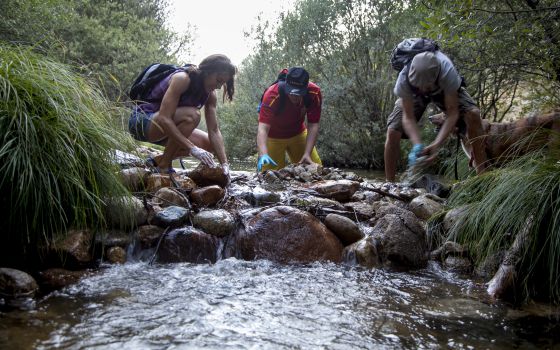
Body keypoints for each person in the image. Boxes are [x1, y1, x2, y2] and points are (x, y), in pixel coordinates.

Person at [384, 50, 487, 182]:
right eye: (418, 85)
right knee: (393, 130)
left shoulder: (447, 73)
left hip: (443, 89)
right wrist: (417, 146)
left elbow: (452, 113)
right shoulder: (404, 79)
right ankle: (389, 184)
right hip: (413, 91)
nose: (422, 90)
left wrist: (436, 144)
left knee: (473, 114)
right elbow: (408, 117)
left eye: (425, 87)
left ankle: (483, 177)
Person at [128, 54, 236, 179]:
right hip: (142, 123)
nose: (218, 86)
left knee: (208, 144)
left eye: (222, 84)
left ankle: (157, 162)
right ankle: (164, 167)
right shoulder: (182, 79)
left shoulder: (211, 94)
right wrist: (192, 148)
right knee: (192, 116)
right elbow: (164, 118)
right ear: (208, 72)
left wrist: (224, 164)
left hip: (164, 129)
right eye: (218, 80)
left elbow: (214, 130)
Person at [257, 67, 323, 172]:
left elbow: (313, 124)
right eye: (291, 92)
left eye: (298, 93)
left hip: (298, 134)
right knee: (269, 177)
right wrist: (263, 154)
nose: (294, 97)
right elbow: (262, 129)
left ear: (306, 88)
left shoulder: (314, 93)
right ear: (286, 85)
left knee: (316, 171)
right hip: (273, 137)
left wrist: (307, 153)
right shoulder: (272, 94)